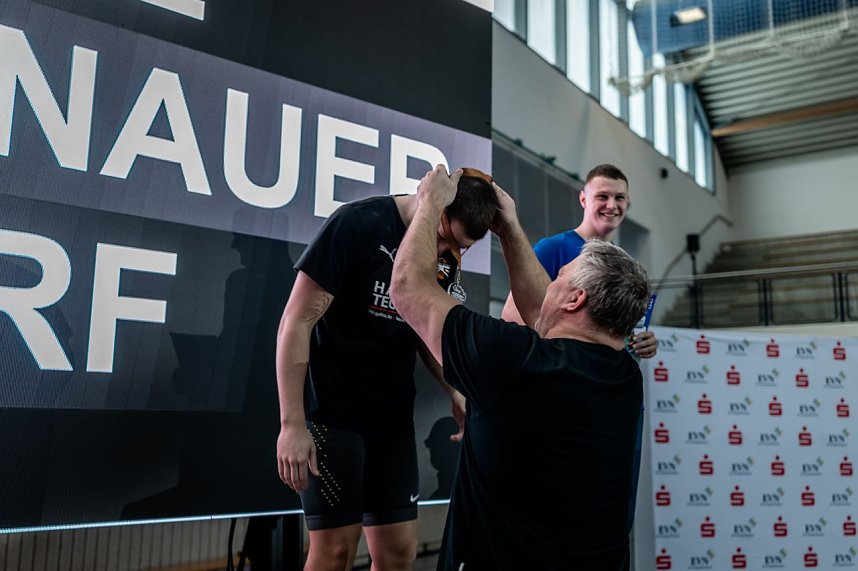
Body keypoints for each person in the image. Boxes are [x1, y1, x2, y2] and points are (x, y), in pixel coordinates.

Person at [390, 165, 651, 570]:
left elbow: (408, 288)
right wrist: (510, 227)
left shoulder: (513, 359)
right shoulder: (624, 376)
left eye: (559, 279)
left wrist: (429, 205)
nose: (552, 284)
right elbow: (544, 316)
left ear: (574, 300)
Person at [275, 170, 498, 571]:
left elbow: (424, 331)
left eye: (457, 247)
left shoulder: (444, 261)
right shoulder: (358, 223)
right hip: (332, 414)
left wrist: (455, 389)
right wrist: (292, 423)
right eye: (444, 236)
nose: (445, 249)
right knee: (334, 552)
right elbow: (297, 321)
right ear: (433, 200)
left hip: (391, 421)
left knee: (398, 553)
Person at [501, 163, 657, 359]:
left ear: (628, 202)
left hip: (604, 376)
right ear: (583, 199)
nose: (611, 205)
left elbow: (616, 331)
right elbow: (511, 317)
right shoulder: (552, 248)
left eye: (619, 197)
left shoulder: (624, 264)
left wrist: (640, 341)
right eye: (602, 196)